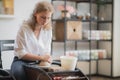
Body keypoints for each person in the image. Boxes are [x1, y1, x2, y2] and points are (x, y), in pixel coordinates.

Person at [10, 1, 54, 80]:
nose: (46, 21)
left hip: (38, 62)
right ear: (35, 14)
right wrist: (41, 58)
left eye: (48, 18)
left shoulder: (48, 30)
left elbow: (46, 51)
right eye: (43, 17)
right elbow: (21, 54)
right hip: (21, 61)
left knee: (49, 74)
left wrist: (47, 58)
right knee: (18, 73)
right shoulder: (24, 29)